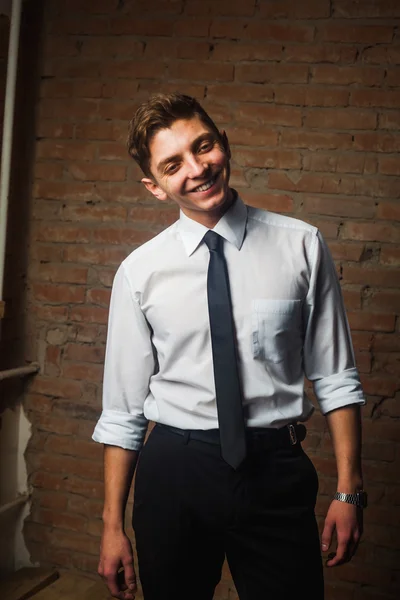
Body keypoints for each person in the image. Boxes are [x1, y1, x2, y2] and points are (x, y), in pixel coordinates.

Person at [92, 93, 366, 600]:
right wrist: (113, 526)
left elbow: (335, 377)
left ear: (224, 145)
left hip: (274, 471)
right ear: (154, 187)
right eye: (174, 164)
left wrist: (349, 491)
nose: (197, 169)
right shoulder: (139, 272)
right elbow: (122, 411)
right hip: (175, 470)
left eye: (204, 146)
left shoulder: (301, 244)